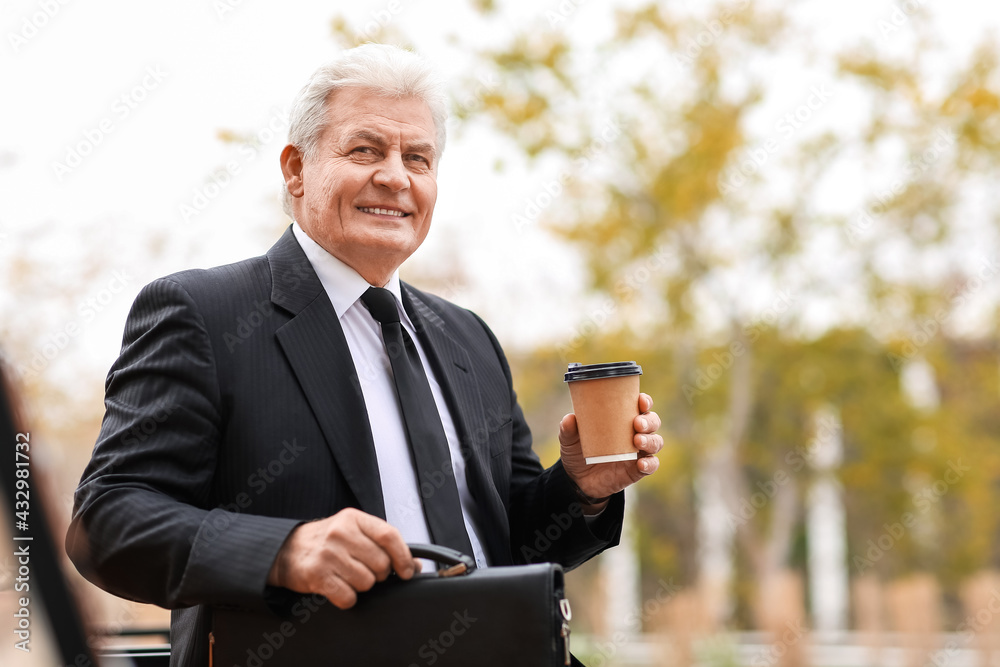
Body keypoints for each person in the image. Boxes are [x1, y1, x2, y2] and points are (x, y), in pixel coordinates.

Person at [66, 43, 663, 666]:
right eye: (365, 150)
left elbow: (513, 542)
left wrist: (582, 488)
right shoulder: (204, 314)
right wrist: (286, 551)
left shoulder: (469, 338)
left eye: (418, 158)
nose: (396, 177)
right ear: (296, 169)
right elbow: (106, 523)